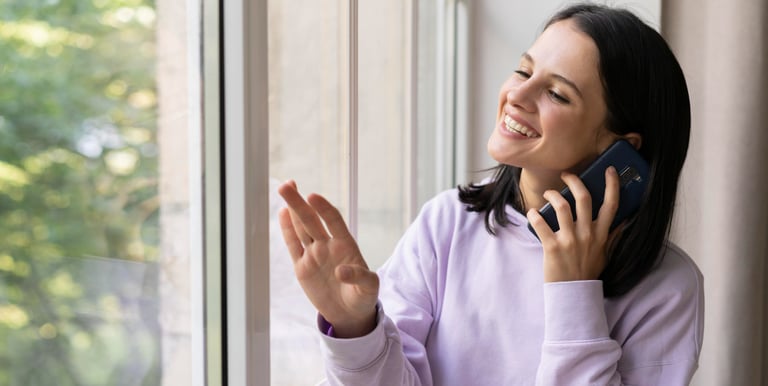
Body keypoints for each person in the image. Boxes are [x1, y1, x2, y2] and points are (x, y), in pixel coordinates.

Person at [277, 3, 703, 385]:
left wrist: (575, 292)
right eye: (524, 71)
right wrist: (355, 328)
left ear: (621, 148)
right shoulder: (447, 223)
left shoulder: (667, 290)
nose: (517, 95)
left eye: (556, 94)